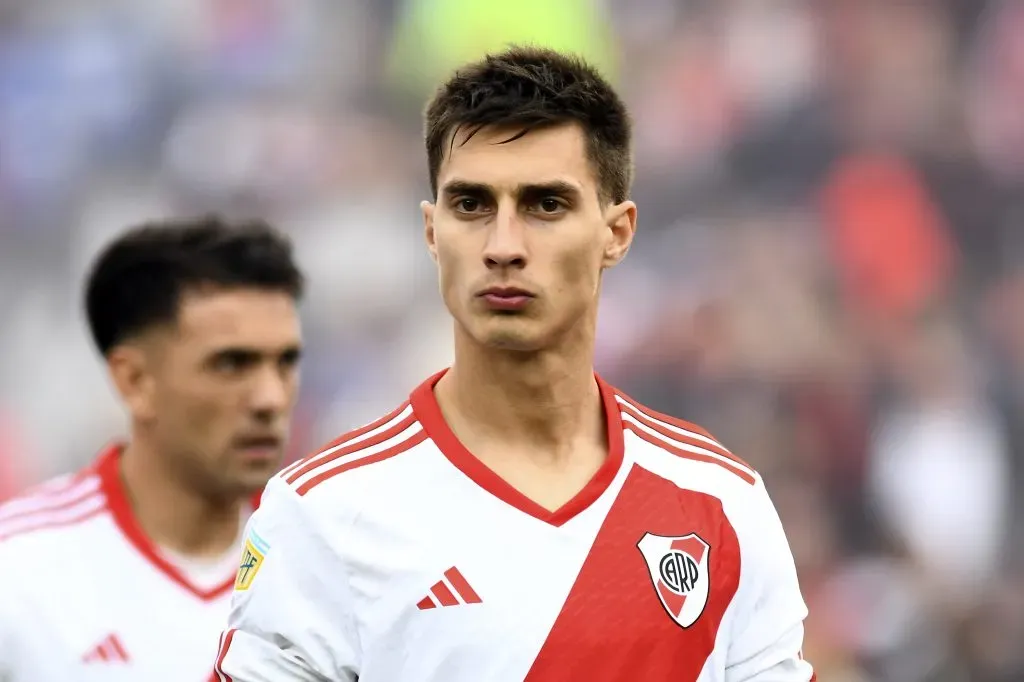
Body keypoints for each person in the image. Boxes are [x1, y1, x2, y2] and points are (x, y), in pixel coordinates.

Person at [215, 47, 815, 681]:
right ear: (431, 232)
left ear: (617, 233)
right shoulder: (323, 514)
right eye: (471, 205)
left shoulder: (721, 503)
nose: (503, 246)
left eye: (545, 205)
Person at [0, 216, 304, 681]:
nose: (270, 398)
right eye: (231, 363)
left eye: (285, 362)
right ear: (134, 381)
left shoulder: (325, 562)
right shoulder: (18, 569)